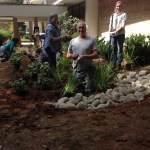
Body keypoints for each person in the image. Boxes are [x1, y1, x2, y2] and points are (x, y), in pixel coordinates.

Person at [67, 20, 98, 93]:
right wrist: (72, 56)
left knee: (88, 91)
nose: (81, 29)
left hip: (88, 69)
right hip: (76, 70)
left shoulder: (91, 40)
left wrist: (84, 56)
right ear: (77, 29)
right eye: (79, 28)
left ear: (85, 29)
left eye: (83, 27)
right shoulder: (73, 41)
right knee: (77, 91)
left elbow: (96, 55)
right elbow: (68, 55)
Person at [109, 1, 127, 71]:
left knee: (119, 50)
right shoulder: (112, 15)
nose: (118, 7)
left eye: (120, 6)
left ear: (121, 7)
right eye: (117, 6)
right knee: (114, 50)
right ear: (115, 6)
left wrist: (115, 31)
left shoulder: (124, 14)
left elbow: (122, 26)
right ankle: (114, 64)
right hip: (113, 35)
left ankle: (118, 65)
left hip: (120, 34)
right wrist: (109, 31)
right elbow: (110, 24)